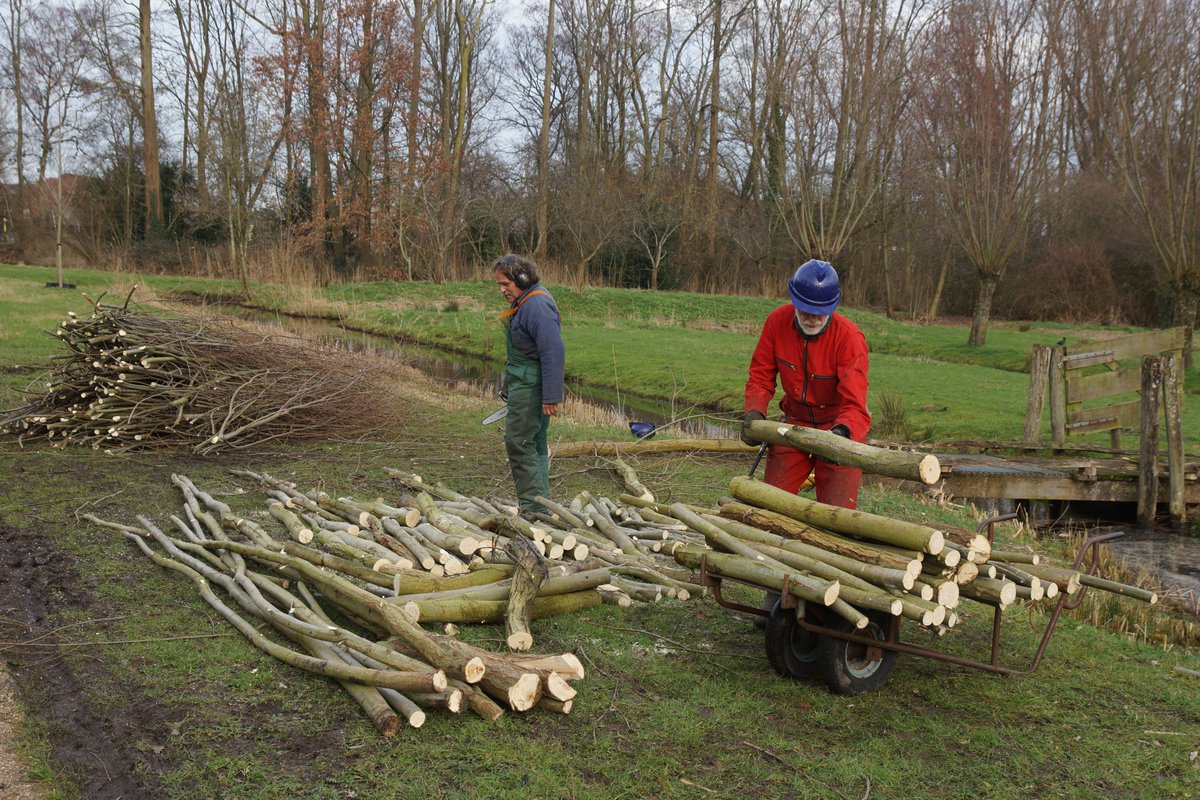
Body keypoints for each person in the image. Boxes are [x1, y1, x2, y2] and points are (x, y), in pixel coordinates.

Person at [742, 259, 871, 509]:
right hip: (794, 424)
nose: (812, 318)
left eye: (820, 312)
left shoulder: (850, 339)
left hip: (838, 429)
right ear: (794, 302)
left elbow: (855, 405)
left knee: (837, 514)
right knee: (771, 505)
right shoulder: (776, 322)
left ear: (832, 306)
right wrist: (754, 413)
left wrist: (840, 436)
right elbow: (760, 375)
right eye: (805, 311)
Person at [493, 254, 565, 516]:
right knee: (533, 443)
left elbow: (553, 352)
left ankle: (534, 509)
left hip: (533, 388)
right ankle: (540, 505)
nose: (502, 290)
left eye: (506, 284)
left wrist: (550, 396)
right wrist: (509, 383)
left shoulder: (536, 306)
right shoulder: (525, 302)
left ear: (522, 279)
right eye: (499, 285)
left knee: (520, 442)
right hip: (524, 383)